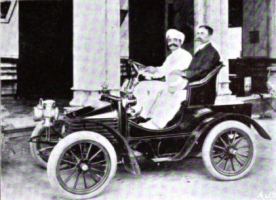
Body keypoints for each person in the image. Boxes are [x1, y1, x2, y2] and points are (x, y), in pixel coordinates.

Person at [132, 29, 192, 119]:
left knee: (145, 87)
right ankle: (141, 113)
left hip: (176, 85)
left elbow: (172, 71)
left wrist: (157, 71)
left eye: (175, 40)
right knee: (142, 85)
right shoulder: (171, 56)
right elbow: (163, 70)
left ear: (180, 42)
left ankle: (140, 113)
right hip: (169, 83)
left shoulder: (185, 55)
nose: (172, 43)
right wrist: (153, 70)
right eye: (170, 40)